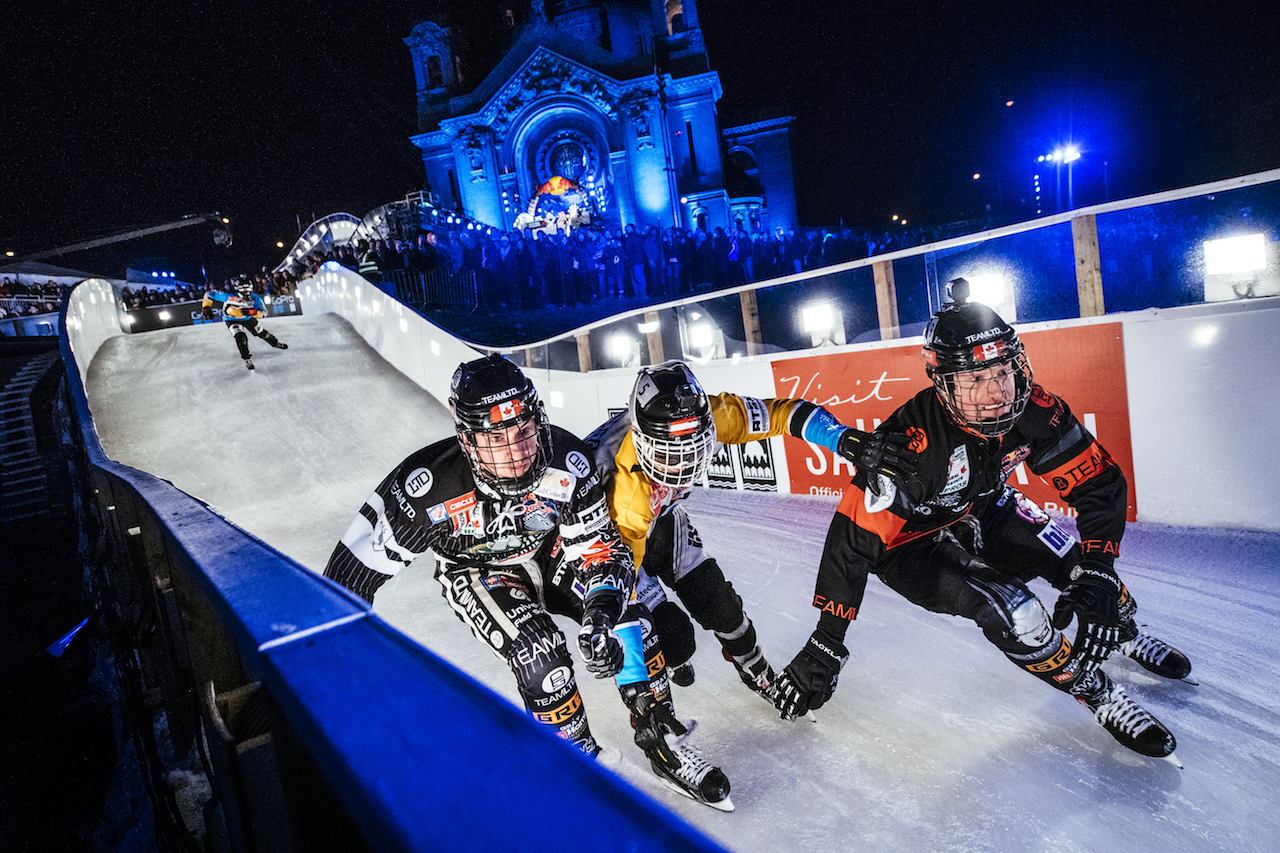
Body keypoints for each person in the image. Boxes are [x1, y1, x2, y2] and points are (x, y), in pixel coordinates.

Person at [771, 279, 1191, 762]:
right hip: (912, 547)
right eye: (974, 379)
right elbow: (853, 542)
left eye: (1003, 372)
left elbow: (1098, 486)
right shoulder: (911, 446)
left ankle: (1124, 630)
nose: (995, 392)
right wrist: (827, 643)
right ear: (943, 383)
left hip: (984, 506)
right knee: (1018, 611)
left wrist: (1099, 570)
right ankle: (1097, 693)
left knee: (1081, 563)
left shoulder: (1035, 410)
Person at [324, 355, 733, 809]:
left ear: (539, 420)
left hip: (551, 550)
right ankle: (570, 761)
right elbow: (344, 581)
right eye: (495, 438)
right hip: (477, 572)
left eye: (522, 430)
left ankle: (663, 737)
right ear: (467, 440)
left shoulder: (568, 461)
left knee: (633, 620)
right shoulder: (425, 487)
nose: (515, 451)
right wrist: (337, 674)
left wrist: (600, 616)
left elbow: (604, 553)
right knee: (541, 656)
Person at [585, 360, 916, 704]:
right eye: (671, 455)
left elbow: (785, 414)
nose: (683, 466)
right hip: (612, 533)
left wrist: (846, 440)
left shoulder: (715, 415)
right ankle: (675, 657)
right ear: (642, 443)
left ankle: (752, 668)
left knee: (722, 608)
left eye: (693, 448)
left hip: (661, 513)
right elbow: (616, 581)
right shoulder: (626, 490)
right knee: (670, 636)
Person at [201, 277, 287, 370]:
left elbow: (264, 312)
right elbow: (209, 294)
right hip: (232, 320)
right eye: (243, 288)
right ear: (237, 288)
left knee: (262, 333)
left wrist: (252, 312)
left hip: (248, 319)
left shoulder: (255, 298)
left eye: (247, 288)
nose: (246, 291)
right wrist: (206, 306)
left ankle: (275, 343)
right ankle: (247, 358)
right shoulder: (229, 296)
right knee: (240, 337)